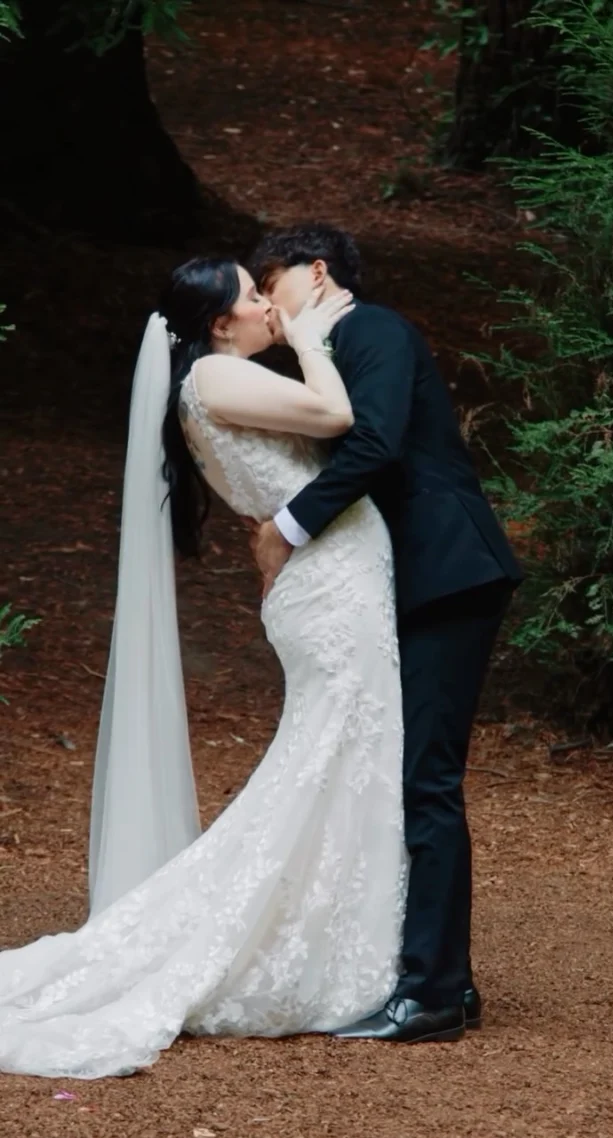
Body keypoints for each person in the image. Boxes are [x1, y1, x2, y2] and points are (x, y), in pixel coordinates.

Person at [0, 258, 409, 1080]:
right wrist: (308, 336)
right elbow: (335, 413)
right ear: (220, 324)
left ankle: (338, 937)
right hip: (331, 594)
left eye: (269, 295)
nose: (267, 306)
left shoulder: (218, 380)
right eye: (254, 298)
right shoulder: (217, 378)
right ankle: (282, 947)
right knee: (325, 765)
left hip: (336, 585)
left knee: (339, 765)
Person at [248, 223, 523, 1043]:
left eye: (273, 283)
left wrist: (286, 529)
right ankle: (447, 981)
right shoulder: (323, 358)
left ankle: (433, 993)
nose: (266, 301)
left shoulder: (372, 329)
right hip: (411, 578)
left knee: (424, 779)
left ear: (318, 272)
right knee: (409, 773)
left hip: (447, 567)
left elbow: (377, 441)